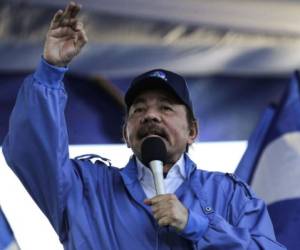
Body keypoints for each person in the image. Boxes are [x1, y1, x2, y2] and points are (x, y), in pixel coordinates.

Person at [2, 2, 286, 250]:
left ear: (192, 131)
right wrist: (51, 71)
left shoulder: (229, 195)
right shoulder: (84, 189)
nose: (151, 115)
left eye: (165, 107)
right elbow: (31, 149)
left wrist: (195, 225)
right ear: (125, 133)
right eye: (138, 109)